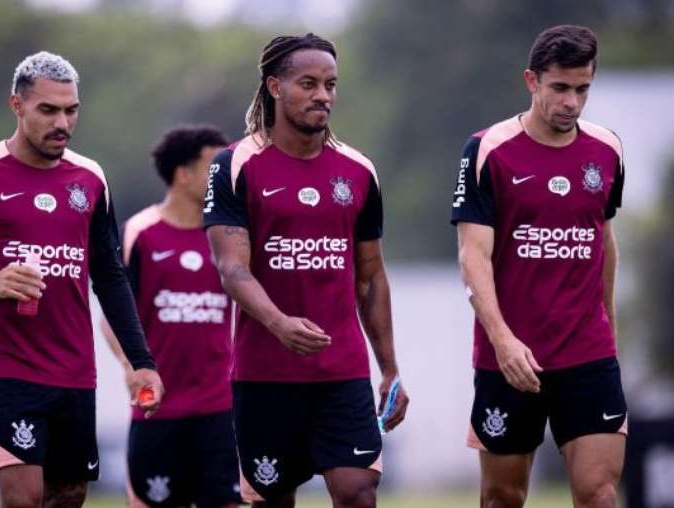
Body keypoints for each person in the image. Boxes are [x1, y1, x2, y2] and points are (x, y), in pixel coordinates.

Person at [0, 51, 162, 508]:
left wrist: (141, 359)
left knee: (68, 495)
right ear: (17, 105)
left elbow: (109, 275)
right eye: (48, 110)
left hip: (74, 369)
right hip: (7, 367)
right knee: (23, 497)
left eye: (71, 110)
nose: (62, 122)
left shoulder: (90, 178)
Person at [203, 33, 409, 508]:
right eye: (309, 83)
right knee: (272, 500)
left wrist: (390, 369)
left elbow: (371, 276)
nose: (323, 95)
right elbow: (231, 268)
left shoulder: (359, 171)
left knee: (359, 490)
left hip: (342, 373)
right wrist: (279, 325)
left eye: (331, 85)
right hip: (264, 376)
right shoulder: (233, 165)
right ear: (275, 87)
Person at [451, 25, 627, 507]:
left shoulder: (607, 150)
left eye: (583, 89)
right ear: (532, 80)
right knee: (502, 498)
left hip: (588, 353)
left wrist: (607, 325)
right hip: (509, 359)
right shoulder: (488, 150)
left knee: (600, 493)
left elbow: (602, 237)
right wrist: (503, 341)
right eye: (560, 88)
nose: (572, 102)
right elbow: (473, 256)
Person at [102, 125, 242, 508]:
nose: (222, 177)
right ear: (183, 174)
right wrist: (130, 365)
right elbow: (112, 315)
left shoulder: (229, 236)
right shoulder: (139, 233)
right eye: (214, 168)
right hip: (157, 406)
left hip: (220, 408)